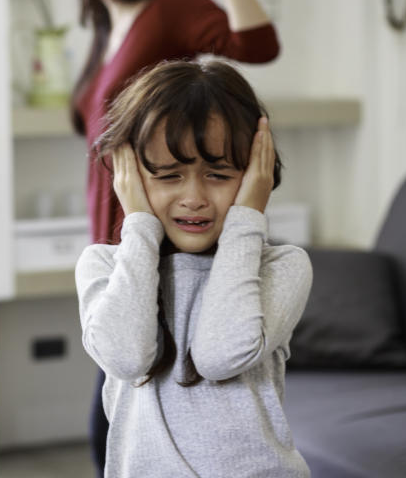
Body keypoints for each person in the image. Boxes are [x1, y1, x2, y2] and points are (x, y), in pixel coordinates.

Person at [57, 0, 282, 474]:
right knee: (119, 402)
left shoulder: (170, 8)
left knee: (123, 406)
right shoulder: (107, 27)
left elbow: (257, 44)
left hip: (164, 243)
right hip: (120, 239)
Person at [75, 60, 312, 477]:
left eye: (218, 175)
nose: (194, 197)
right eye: (168, 175)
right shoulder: (104, 266)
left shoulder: (282, 267)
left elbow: (221, 355)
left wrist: (246, 218)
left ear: (254, 175)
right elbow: (127, 357)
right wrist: (140, 225)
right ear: (130, 176)